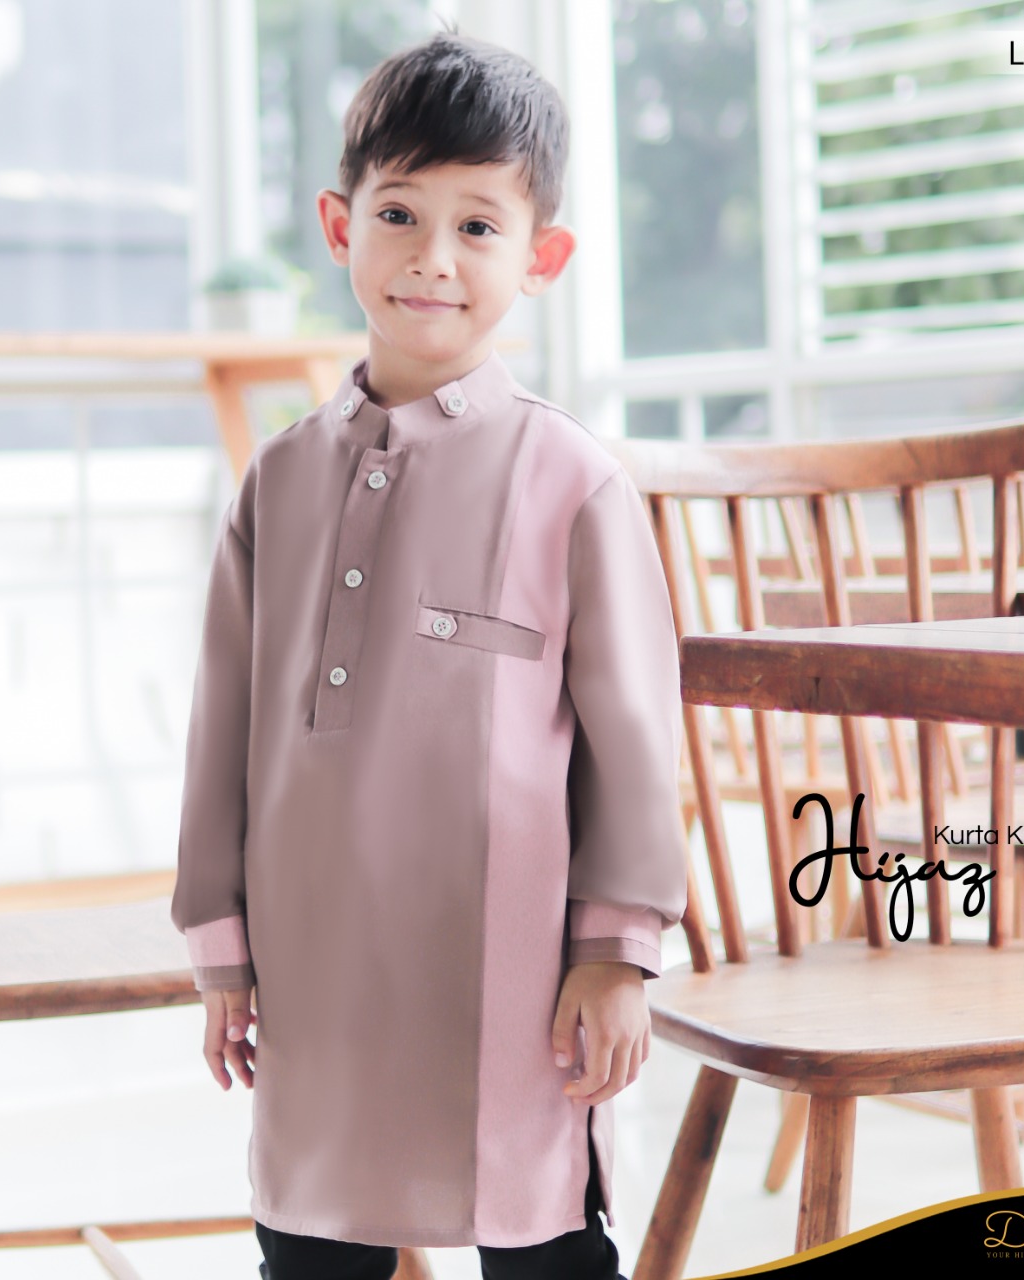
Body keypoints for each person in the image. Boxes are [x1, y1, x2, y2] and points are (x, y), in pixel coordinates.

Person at [171, 27, 688, 1280]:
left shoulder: (572, 480)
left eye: (477, 226)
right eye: (399, 213)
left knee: (539, 1232)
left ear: (540, 256)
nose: (431, 258)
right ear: (337, 224)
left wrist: (615, 952)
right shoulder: (277, 481)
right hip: (314, 966)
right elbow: (220, 726)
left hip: (505, 975)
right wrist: (221, 947)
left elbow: (631, 740)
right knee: (308, 1239)